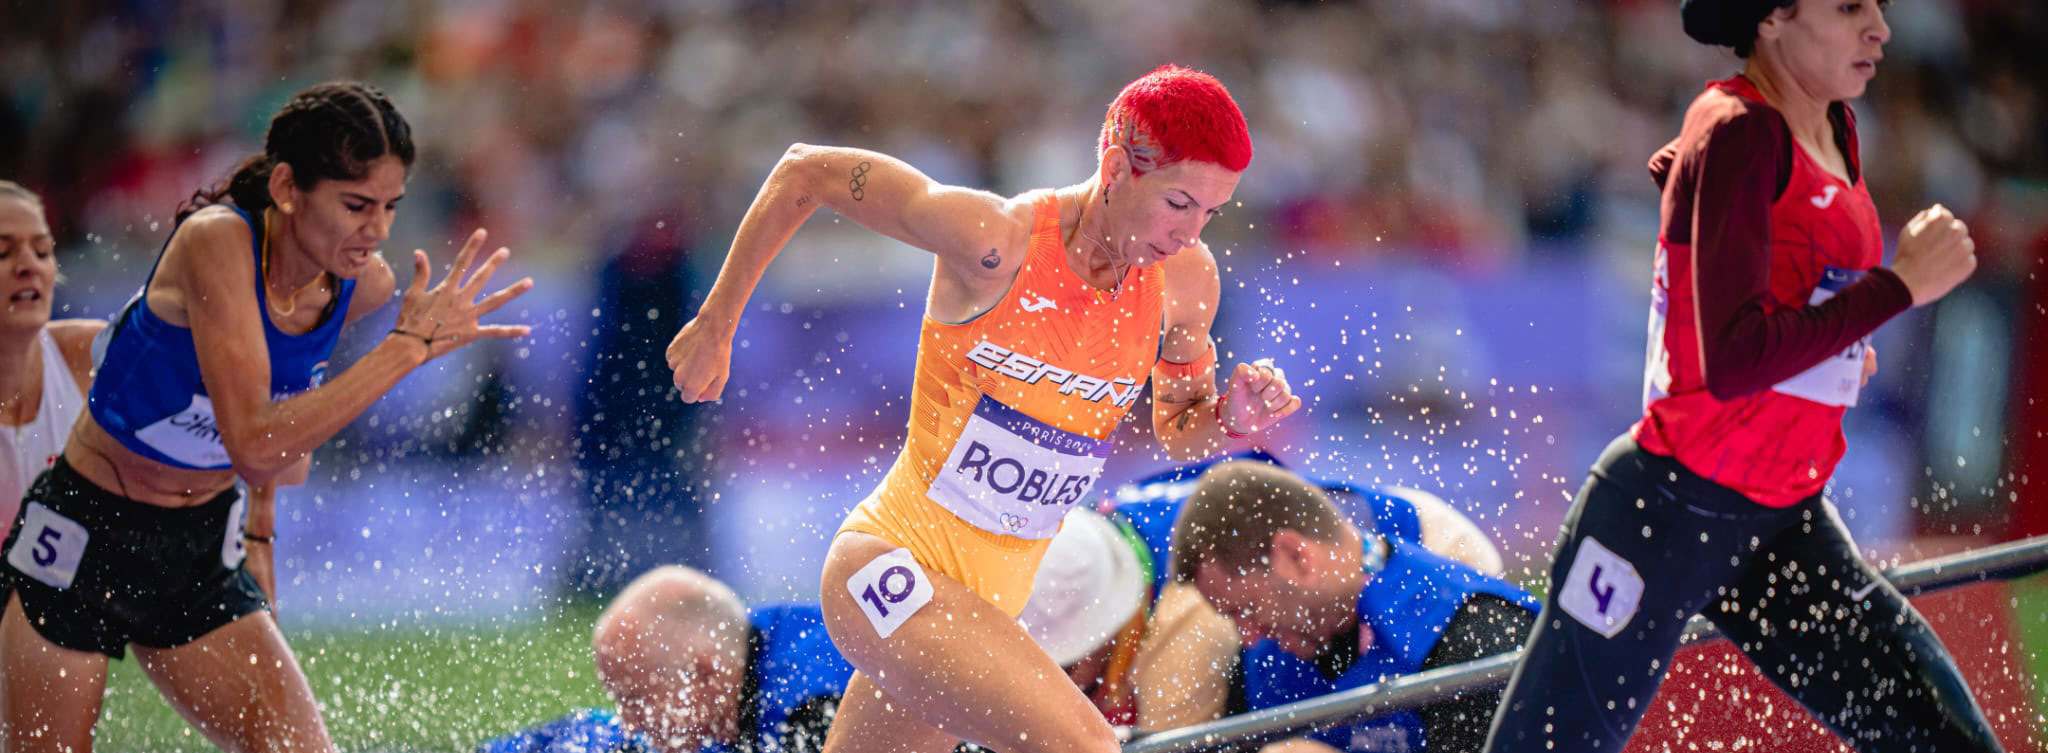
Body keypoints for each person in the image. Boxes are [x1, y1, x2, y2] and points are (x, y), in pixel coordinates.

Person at [666, 64, 1301, 753]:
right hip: (888, 571)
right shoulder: (996, 243)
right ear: (1117, 167)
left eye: (1212, 212)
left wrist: (1231, 418)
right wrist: (715, 323)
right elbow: (806, 172)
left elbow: (1179, 429)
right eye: (1179, 204)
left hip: (979, 610)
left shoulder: (1185, 280)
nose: (1190, 231)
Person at [1481, 2, 2004, 751]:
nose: (1881, 28)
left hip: (1781, 520)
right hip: (1664, 513)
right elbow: (1732, 359)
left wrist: (1842, 345)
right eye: (1850, 7)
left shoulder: (1834, 128)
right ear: (1772, 19)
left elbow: (1777, 303)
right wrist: (1898, 290)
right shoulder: (1739, 129)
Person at [0, 80, 533, 751]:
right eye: (356, 204)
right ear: (286, 188)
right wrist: (405, 350)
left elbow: (285, 437)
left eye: (391, 206)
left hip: (198, 550)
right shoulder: (217, 241)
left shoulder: (361, 285)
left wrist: (260, 535)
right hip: (87, 536)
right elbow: (253, 440)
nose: (378, 230)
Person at [1018, 451, 1508, 728]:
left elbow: (1177, 739)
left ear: (1099, 627)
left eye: (1066, 663)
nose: (1067, 679)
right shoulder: (1093, 546)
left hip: (1434, 549)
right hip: (1310, 566)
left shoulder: (1187, 618)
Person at [1167, 461, 1537, 752]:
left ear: (1297, 556)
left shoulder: (1477, 632)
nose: (1247, 637)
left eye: (1245, 609)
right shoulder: (1258, 665)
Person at [479, 566, 856, 753]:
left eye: (636, 698)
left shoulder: (819, 708)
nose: (629, 723)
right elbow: (586, 739)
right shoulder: (730, 648)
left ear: (705, 674)